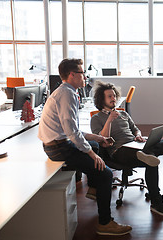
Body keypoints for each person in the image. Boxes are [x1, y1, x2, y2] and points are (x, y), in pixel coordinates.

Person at [38, 58, 132, 236]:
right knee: (106, 174)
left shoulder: (65, 91)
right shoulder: (68, 94)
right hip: (59, 148)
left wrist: (96, 138)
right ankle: (105, 223)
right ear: (72, 75)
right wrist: (92, 155)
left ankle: (95, 188)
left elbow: (71, 131)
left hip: (57, 143)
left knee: (97, 144)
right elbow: (71, 132)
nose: (85, 76)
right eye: (82, 73)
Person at [90, 81, 163, 217]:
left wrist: (138, 136)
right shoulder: (96, 118)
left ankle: (145, 153)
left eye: (114, 96)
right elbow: (102, 139)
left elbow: (135, 129)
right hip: (119, 151)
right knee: (151, 159)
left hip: (134, 145)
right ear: (101, 100)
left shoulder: (123, 114)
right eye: (109, 97)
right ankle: (156, 201)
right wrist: (109, 120)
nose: (113, 99)